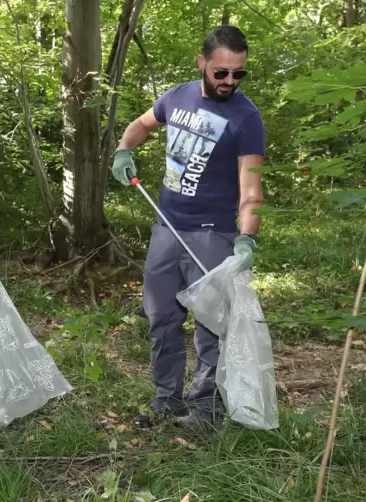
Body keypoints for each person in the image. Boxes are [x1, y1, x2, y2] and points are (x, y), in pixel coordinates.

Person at [110, 25, 265, 429]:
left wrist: (246, 238)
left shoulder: (246, 118)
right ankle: (167, 399)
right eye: (221, 73)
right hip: (166, 228)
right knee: (161, 317)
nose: (230, 81)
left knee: (211, 327)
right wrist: (124, 151)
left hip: (212, 234)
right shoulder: (176, 97)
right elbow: (142, 125)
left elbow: (251, 191)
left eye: (238, 74)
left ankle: (206, 410)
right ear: (202, 63)